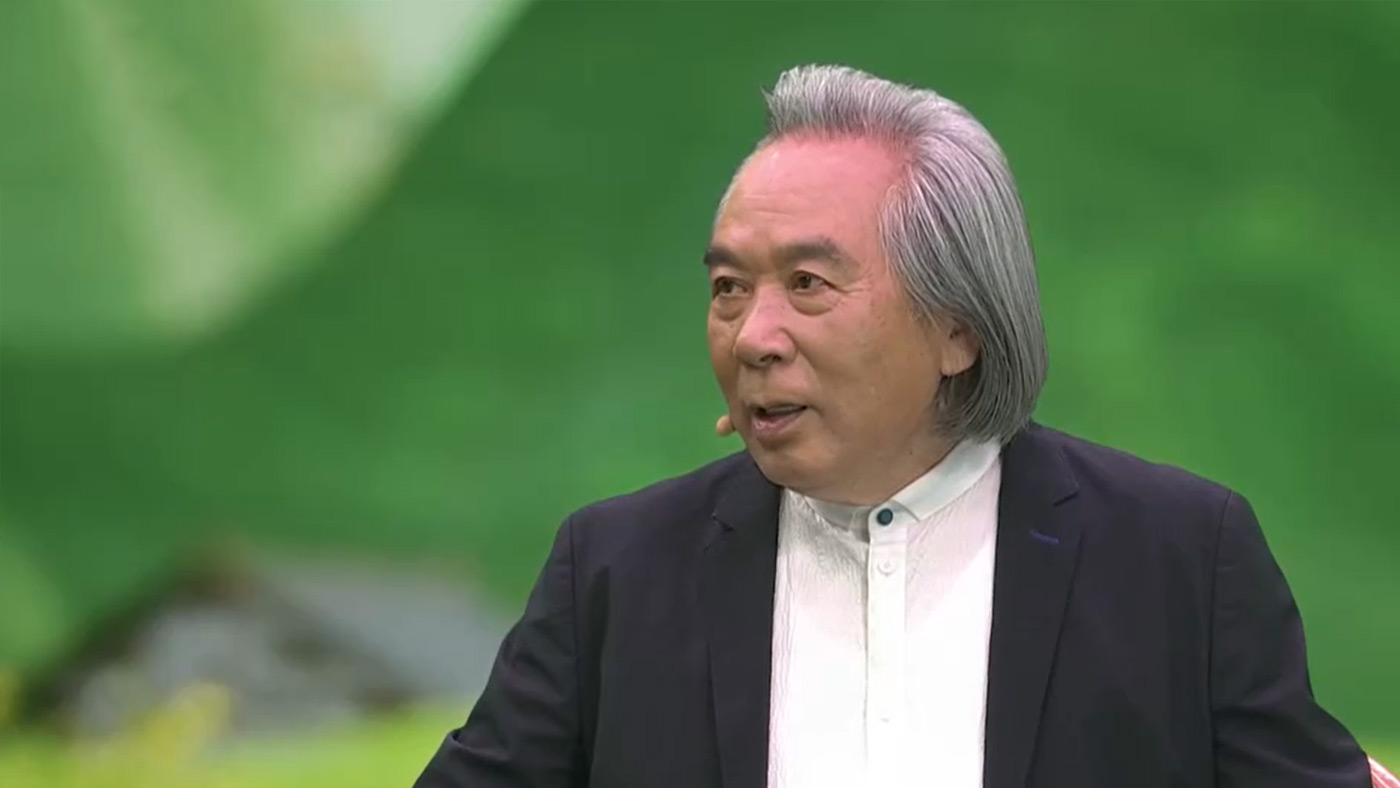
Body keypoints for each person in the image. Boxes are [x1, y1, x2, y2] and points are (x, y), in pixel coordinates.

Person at [414, 64, 1370, 787]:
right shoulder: (617, 569)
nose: (753, 337)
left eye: (808, 284)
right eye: (728, 288)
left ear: (958, 328)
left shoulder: (1179, 558)